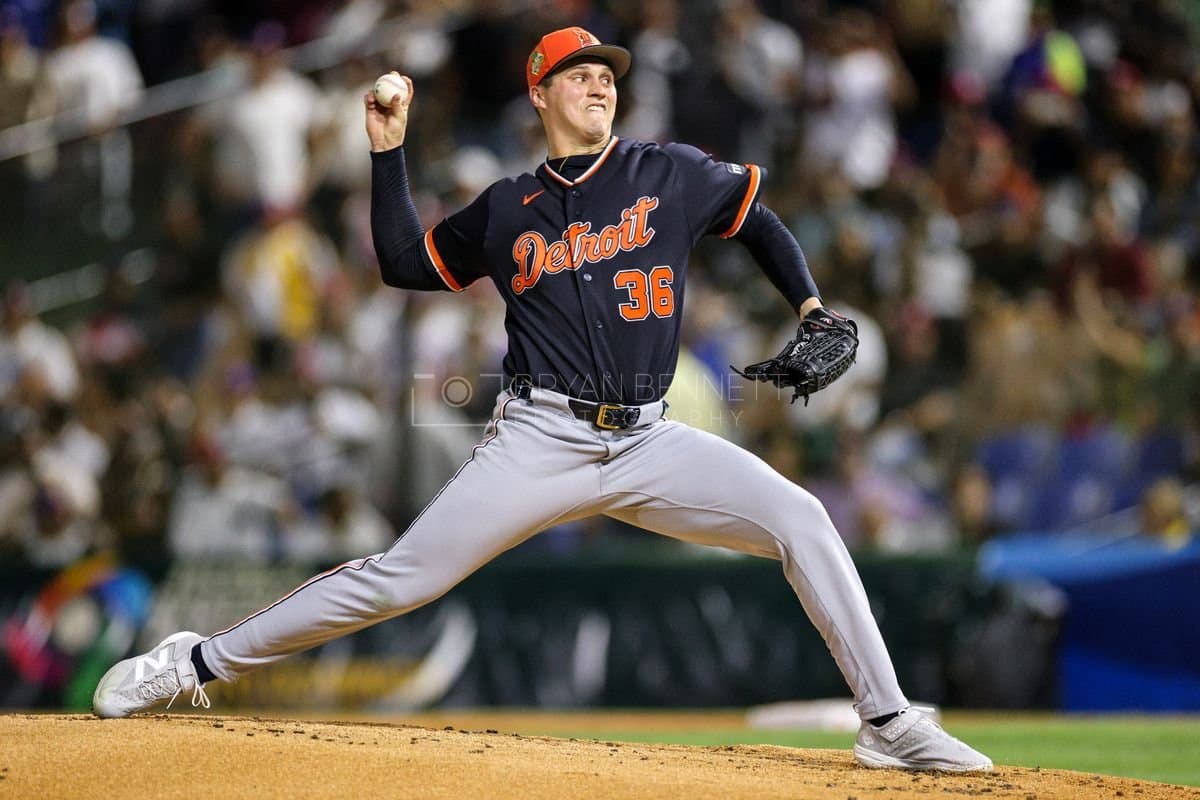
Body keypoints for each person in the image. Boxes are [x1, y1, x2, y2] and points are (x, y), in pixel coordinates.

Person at [93, 26, 991, 773]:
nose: (602, 86)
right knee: (401, 579)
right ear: (540, 93)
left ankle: (888, 722)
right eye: (583, 74)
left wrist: (810, 305)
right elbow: (408, 264)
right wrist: (387, 152)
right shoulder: (507, 207)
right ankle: (192, 660)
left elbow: (755, 217)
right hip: (542, 436)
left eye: (609, 76)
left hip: (650, 441)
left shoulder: (665, 171)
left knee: (802, 518)